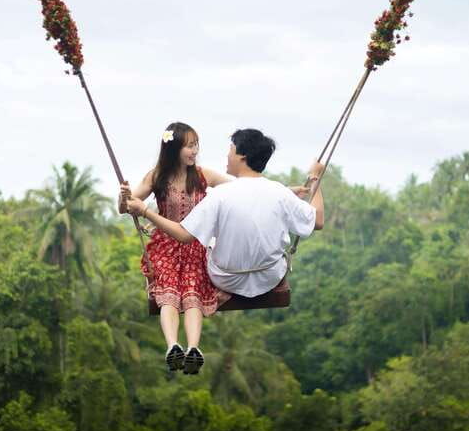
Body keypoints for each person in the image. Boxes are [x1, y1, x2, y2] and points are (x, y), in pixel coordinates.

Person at [125, 127, 324, 305]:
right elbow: (319, 220)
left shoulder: (220, 195)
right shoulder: (278, 192)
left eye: (231, 150)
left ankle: (190, 288)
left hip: (226, 278)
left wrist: (145, 211)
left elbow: (184, 235)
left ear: (242, 157)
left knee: (208, 234)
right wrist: (316, 177)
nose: (227, 155)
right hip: (269, 277)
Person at [119, 122, 232, 374]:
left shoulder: (203, 176)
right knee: (169, 291)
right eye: (189, 146)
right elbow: (126, 206)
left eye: (196, 146)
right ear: (174, 149)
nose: (194, 151)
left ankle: (193, 348)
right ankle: (173, 346)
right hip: (165, 247)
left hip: (194, 246)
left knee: (192, 293)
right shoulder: (157, 176)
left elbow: (242, 189)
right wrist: (124, 196)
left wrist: (285, 192)